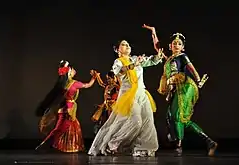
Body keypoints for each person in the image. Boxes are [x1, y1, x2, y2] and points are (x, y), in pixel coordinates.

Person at [144, 25, 217, 156]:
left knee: (178, 116)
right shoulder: (168, 59)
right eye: (174, 43)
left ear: (182, 47)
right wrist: (153, 32)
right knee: (172, 116)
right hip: (174, 89)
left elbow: (192, 69)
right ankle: (207, 141)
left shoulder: (182, 56)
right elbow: (157, 46)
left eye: (179, 43)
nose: (176, 45)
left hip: (184, 86)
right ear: (170, 46)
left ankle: (179, 145)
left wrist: (198, 79)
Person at [88, 40, 164, 157]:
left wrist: (158, 56)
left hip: (142, 93)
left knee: (148, 121)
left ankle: (142, 147)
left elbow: (151, 61)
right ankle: (112, 143)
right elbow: (120, 71)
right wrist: (134, 64)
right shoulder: (118, 62)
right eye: (123, 44)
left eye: (128, 44)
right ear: (118, 50)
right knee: (136, 121)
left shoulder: (135, 59)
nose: (127, 46)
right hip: (128, 94)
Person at [35, 60, 98, 152]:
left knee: (72, 127)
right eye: (72, 69)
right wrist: (94, 77)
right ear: (68, 72)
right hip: (68, 110)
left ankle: (68, 147)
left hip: (64, 109)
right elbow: (87, 85)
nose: (74, 70)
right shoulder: (73, 84)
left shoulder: (63, 84)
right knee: (60, 129)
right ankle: (45, 145)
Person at [91, 71, 120, 135]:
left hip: (113, 108)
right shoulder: (107, 86)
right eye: (107, 78)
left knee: (111, 123)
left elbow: (118, 97)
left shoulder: (117, 87)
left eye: (109, 78)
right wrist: (97, 75)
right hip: (106, 107)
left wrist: (112, 102)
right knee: (103, 122)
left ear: (114, 78)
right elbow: (101, 83)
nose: (108, 80)